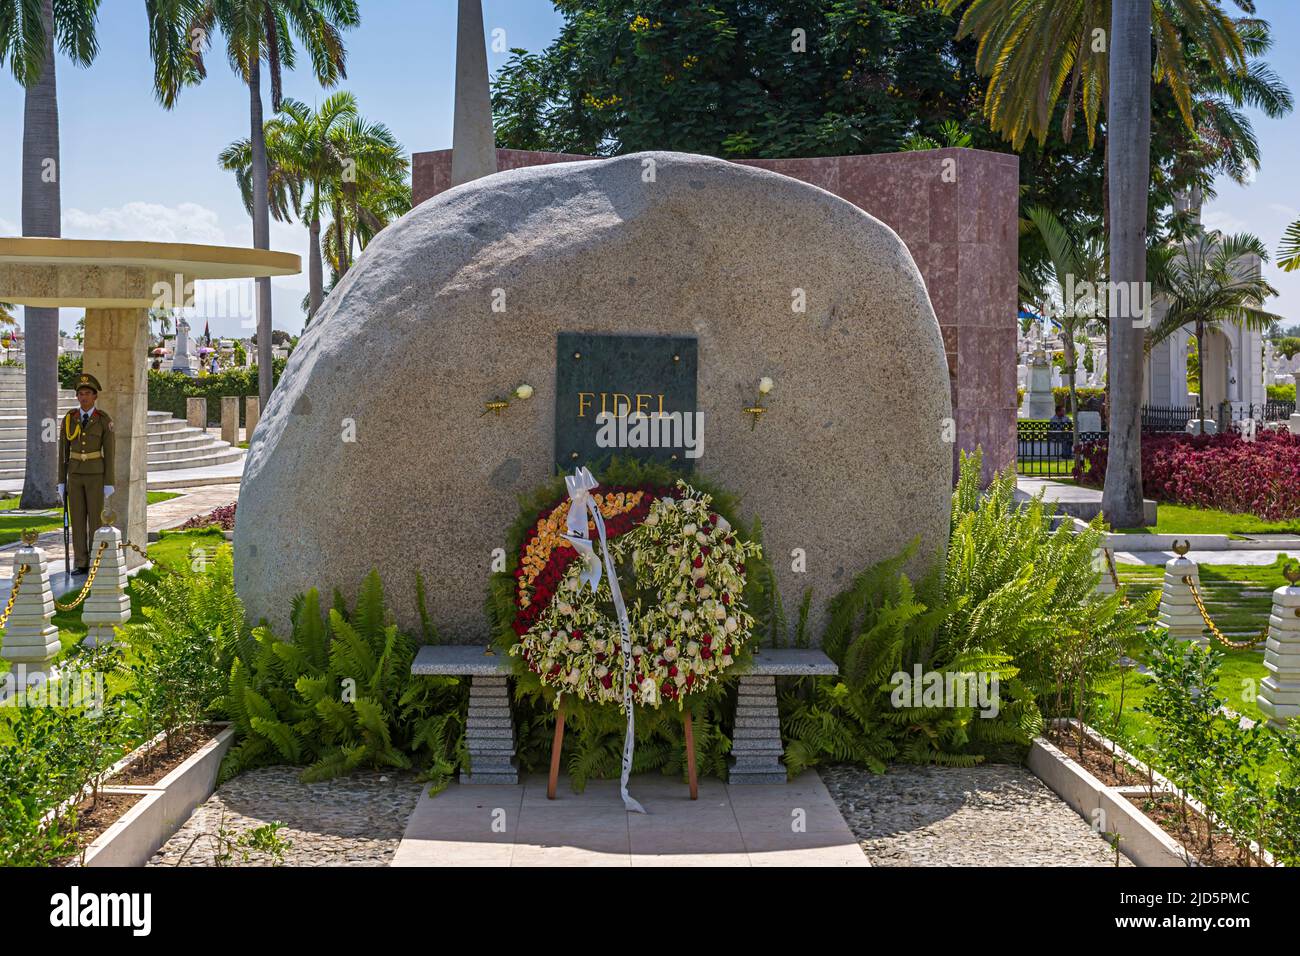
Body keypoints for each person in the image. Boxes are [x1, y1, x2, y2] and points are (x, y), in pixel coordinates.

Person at [58, 373, 114, 576]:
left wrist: (109, 481)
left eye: (87, 394)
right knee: (78, 519)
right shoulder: (69, 419)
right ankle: (81, 562)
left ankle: (95, 559)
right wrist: (60, 480)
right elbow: (62, 452)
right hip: (74, 474)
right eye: (80, 394)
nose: (83, 398)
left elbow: (110, 452)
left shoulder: (103, 420)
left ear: (95, 397)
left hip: (95, 474)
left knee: (96, 521)